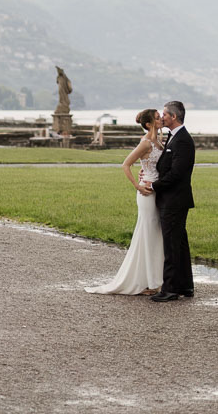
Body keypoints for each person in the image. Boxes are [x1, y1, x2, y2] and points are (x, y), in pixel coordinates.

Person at [85, 108, 165, 295]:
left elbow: (152, 165)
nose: (161, 119)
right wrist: (137, 185)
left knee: (155, 235)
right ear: (148, 124)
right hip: (146, 193)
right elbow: (126, 164)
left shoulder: (158, 141)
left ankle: (154, 280)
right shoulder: (145, 143)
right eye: (157, 118)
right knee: (147, 235)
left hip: (157, 191)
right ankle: (147, 283)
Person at [145, 100, 195, 302]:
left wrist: (154, 186)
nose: (162, 117)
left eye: (164, 114)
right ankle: (185, 286)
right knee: (180, 244)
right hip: (174, 199)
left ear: (173, 117)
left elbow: (176, 173)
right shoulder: (174, 137)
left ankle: (171, 289)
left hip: (175, 200)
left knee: (172, 245)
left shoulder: (182, 140)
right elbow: (166, 165)